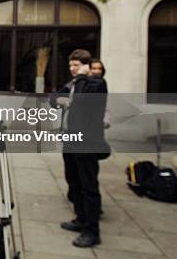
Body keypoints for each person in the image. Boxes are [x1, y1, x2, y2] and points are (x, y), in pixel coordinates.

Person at [53, 49, 107, 248]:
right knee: (73, 181)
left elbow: (84, 101)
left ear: (86, 65)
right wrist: (60, 99)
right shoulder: (73, 84)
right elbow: (55, 97)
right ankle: (81, 218)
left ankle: (92, 231)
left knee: (88, 186)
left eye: (76, 65)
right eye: (70, 65)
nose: (72, 69)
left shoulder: (96, 84)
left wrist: (83, 76)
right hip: (70, 139)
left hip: (87, 142)